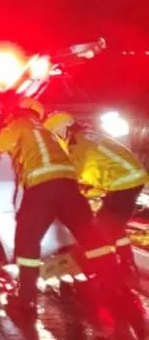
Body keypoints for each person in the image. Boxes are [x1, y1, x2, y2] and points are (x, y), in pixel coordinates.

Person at [0, 98, 117, 316]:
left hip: (42, 188)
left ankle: (26, 299)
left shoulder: (19, 123)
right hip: (68, 185)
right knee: (90, 236)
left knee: (27, 240)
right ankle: (113, 284)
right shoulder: (48, 132)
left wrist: (2, 127)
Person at [44, 110, 148, 279]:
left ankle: (103, 269)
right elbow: (94, 169)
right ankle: (125, 265)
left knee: (104, 228)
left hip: (125, 182)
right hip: (124, 181)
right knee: (112, 225)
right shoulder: (85, 137)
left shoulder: (79, 143)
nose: (57, 140)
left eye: (56, 135)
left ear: (63, 129)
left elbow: (76, 172)